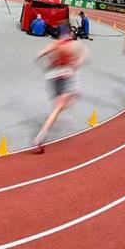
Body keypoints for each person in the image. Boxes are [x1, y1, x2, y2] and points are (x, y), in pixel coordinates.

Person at [32, 25, 88, 153]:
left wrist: (45, 66)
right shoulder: (75, 46)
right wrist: (75, 64)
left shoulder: (56, 44)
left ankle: (52, 117)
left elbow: (39, 55)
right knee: (62, 105)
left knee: (59, 105)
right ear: (70, 34)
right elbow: (83, 59)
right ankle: (41, 136)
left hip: (52, 77)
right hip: (65, 77)